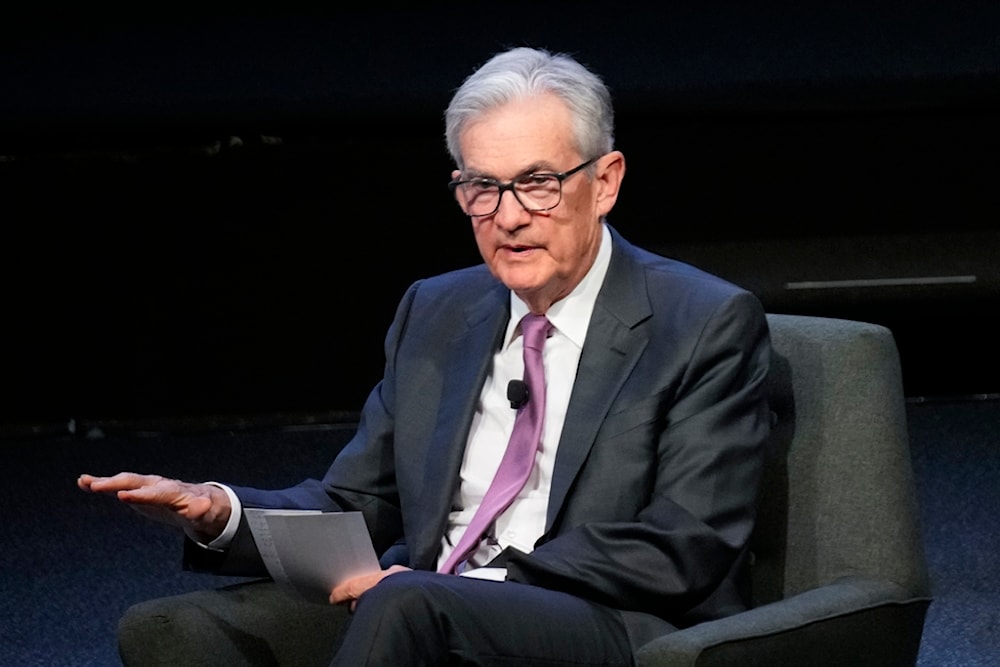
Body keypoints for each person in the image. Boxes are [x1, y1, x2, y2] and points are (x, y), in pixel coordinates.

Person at [79, 46, 771, 665]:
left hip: (607, 622)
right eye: (482, 188)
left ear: (606, 181)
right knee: (176, 628)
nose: (507, 216)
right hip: (420, 605)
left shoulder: (701, 321)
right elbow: (358, 503)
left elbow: (684, 542)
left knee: (408, 602)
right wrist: (219, 509)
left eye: (536, 183)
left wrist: (461, 586)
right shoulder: (437, 311)